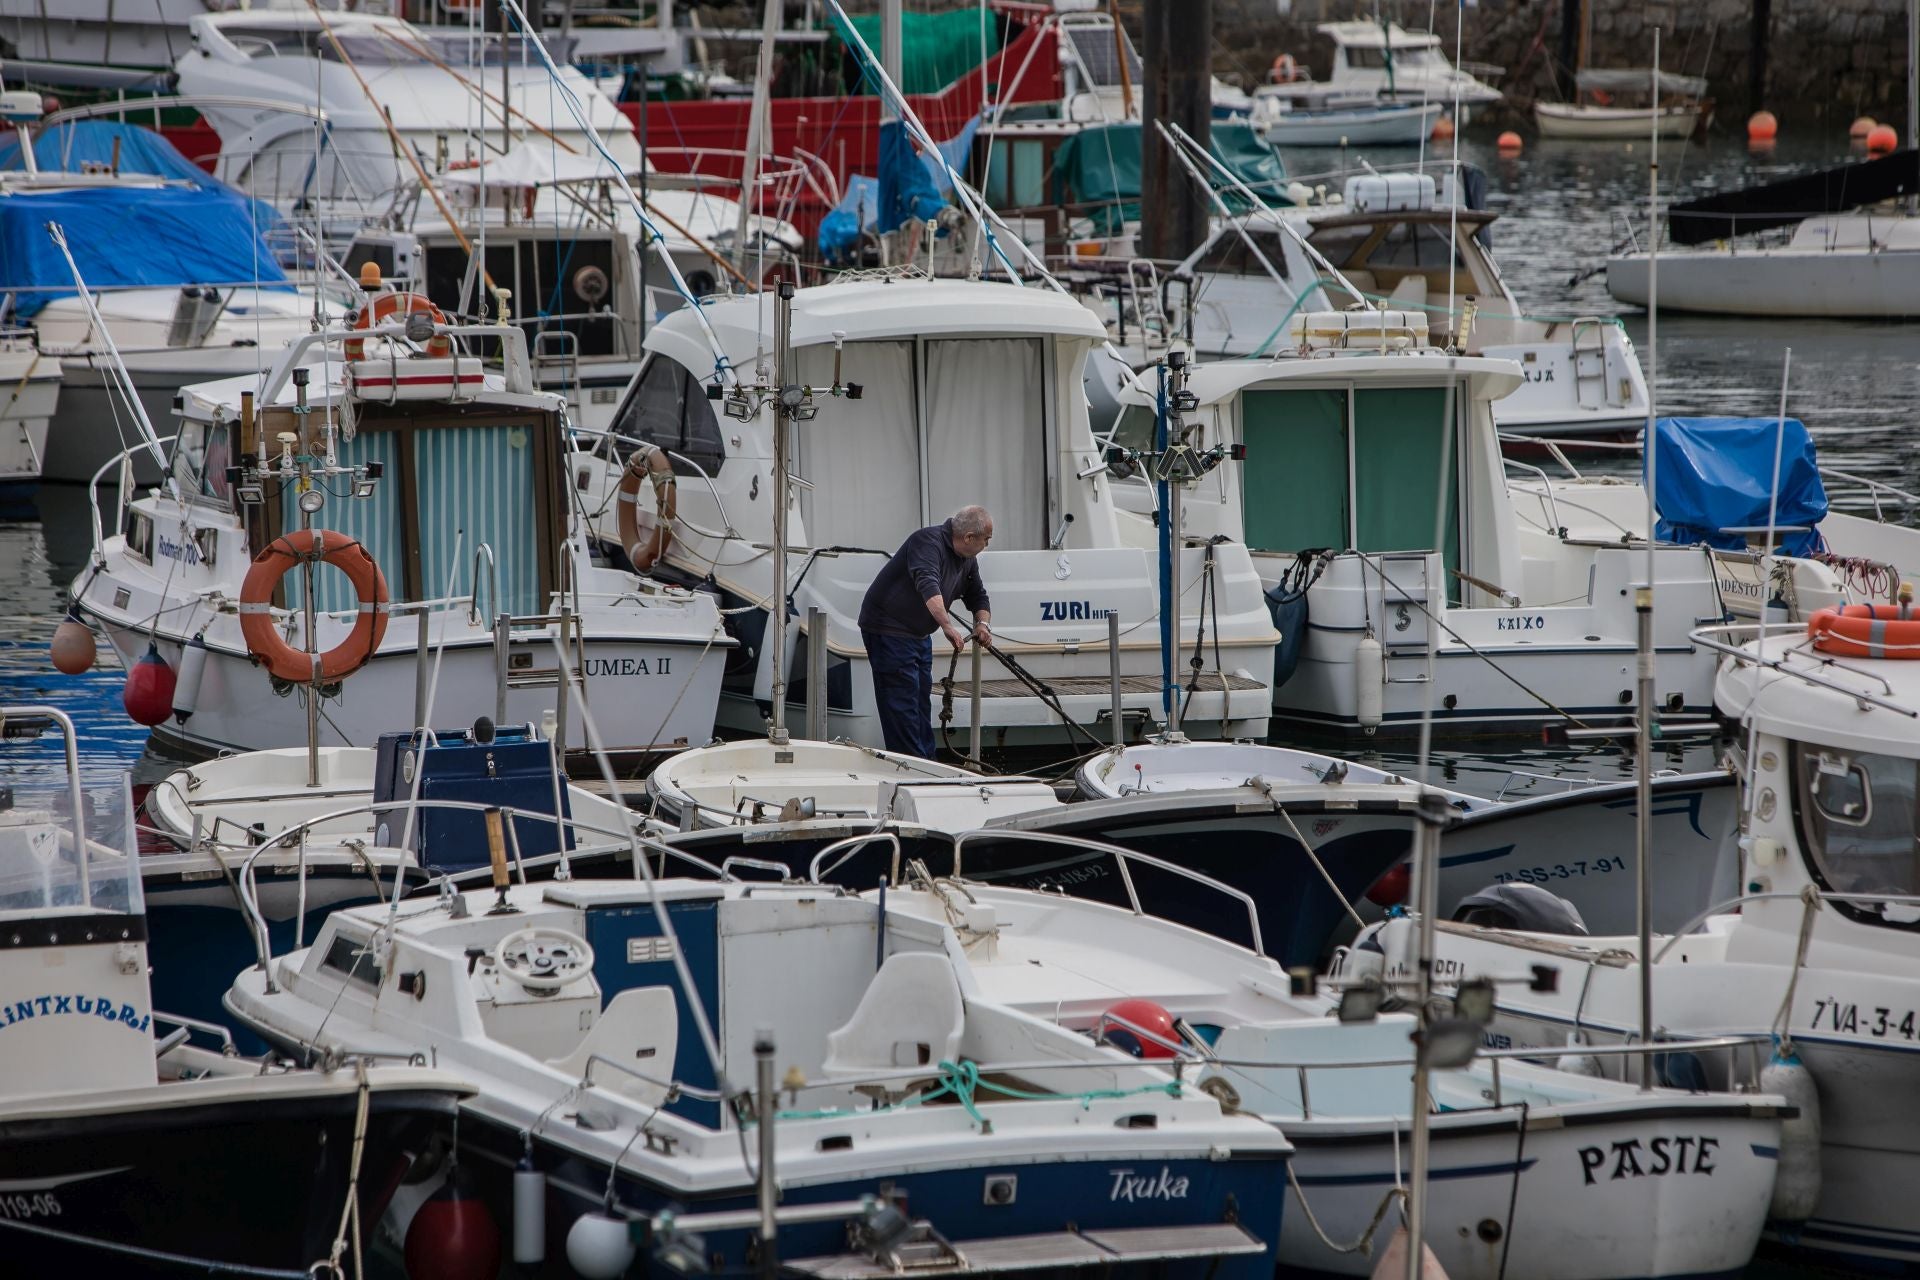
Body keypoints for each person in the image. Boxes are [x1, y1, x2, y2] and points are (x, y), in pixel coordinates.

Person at [857, 506, 994, 758]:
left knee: (920, 702)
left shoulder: (967, 561)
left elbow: (978, 596)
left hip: (918, 634)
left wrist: (982, 624)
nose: (987, 545)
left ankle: (927, 764)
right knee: (902, 704)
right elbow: (928, 584)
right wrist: (947, 626)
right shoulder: (927, 542)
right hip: (889, 629)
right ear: (969, 537)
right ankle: (911, 770)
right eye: (986, 539)